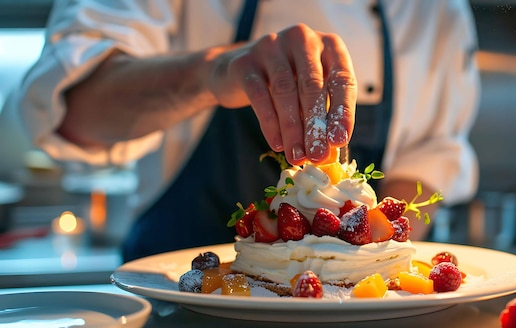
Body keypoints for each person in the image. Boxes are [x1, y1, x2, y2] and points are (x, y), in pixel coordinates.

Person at [8, 0, 480, 261]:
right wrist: (215, 72)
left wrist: (375, 257)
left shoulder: (437, 11)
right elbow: (71, 110)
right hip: (182, 317)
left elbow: (430, 154)